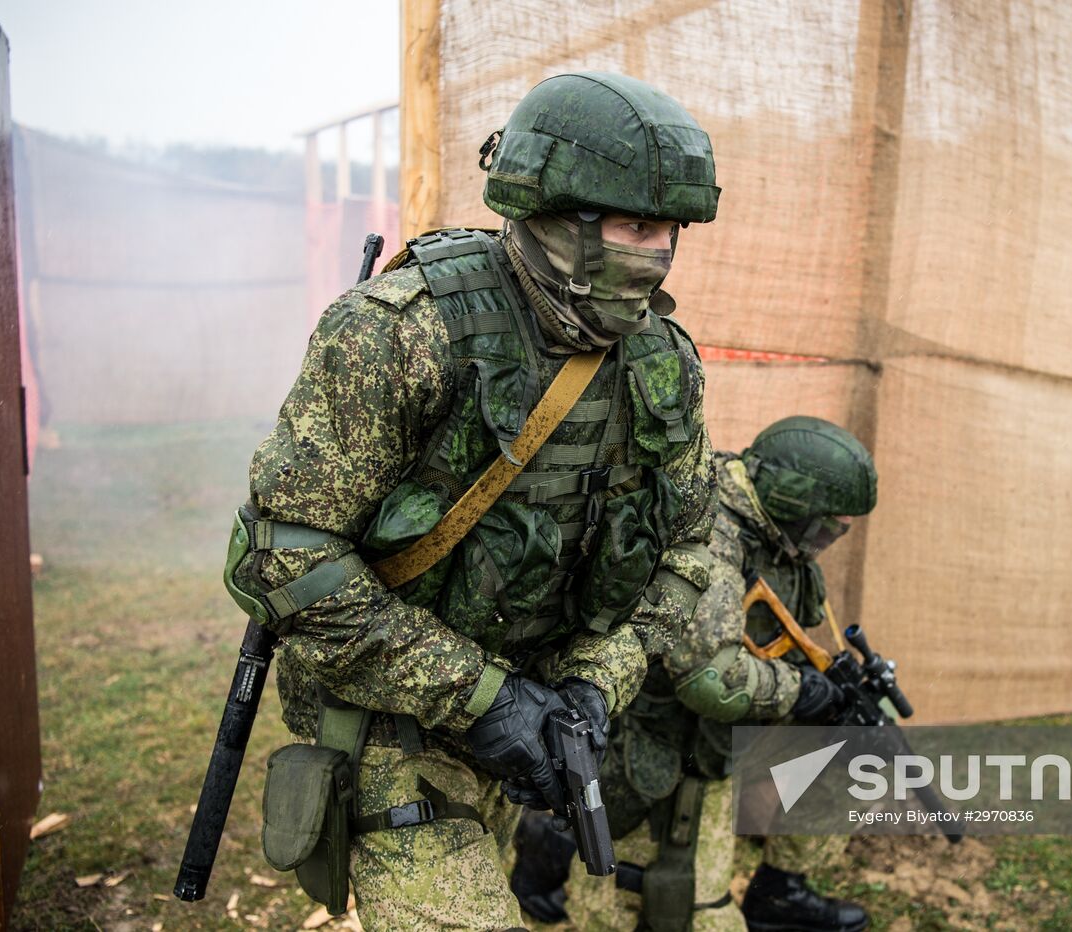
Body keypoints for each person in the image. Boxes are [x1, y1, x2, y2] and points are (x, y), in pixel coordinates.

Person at [222, 72, 720, 930]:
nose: (661, 252)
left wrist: (597, 686)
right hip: (392, 714)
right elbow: (284, 559)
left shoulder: (660, 360)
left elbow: (691, 549)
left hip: (543, 710)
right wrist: (483, 699)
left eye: (671, 230)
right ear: (557, 214)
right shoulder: (400, 332)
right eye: (639, 226)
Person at [550, 416, 877, 932]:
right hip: (660, 734)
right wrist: (800, 690)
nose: (826, 540)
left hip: (725, 732)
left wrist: (830, 692)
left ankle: (779, 892)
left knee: (847, 750)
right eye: (824, 527)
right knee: (679, 913)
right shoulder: (716, 533)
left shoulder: (778, 541)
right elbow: (709, 679)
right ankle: (552, 847)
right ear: (792, 503)